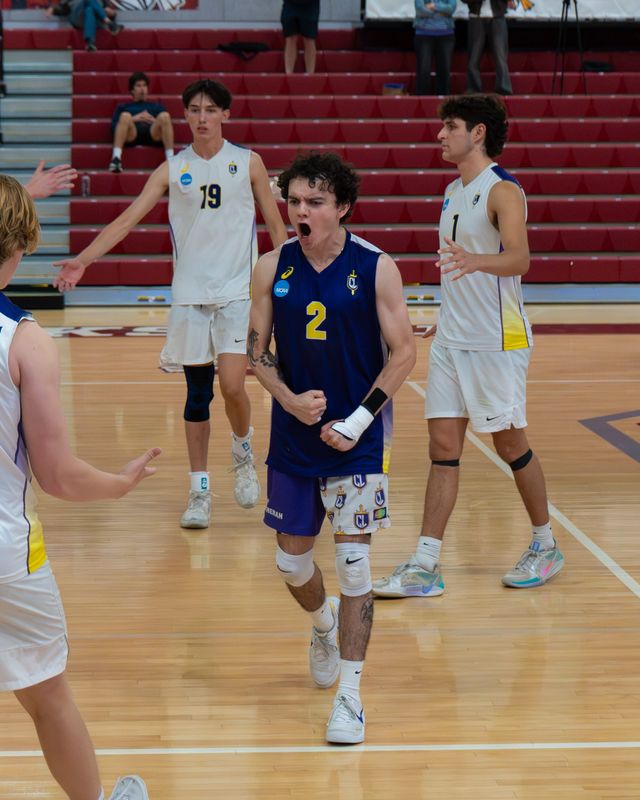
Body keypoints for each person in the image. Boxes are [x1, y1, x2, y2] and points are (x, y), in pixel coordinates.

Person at [54, 79, 288, 530]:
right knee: (197, 395)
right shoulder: (171, 168)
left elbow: (277, 230)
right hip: (190, 298)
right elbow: (126, 220)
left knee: (235, 385)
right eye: (194, 110)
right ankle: (199, 489)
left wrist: (287, 287)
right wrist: (83, 260)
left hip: (239, 293)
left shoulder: (248, 163)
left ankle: (243, 451)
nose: (202, 117)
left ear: (226, 115)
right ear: (185, 116)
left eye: (211, 109)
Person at [248, 151, 416, 744]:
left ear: (342, 206)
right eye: (294, 201)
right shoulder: (271, 267)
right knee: (292, 560)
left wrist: (360, 419)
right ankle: (321, 623)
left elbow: (403, 354)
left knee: (354, 562)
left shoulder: (377, 267)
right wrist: (289, 399)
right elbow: (257, 353)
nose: (301, 211)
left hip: (359, 442)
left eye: (315, 202)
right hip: (293, 436)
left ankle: (350, 696)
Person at [0, 174, 159, 800]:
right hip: (7, 552)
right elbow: (60, 475)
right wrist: (118, 485)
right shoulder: (25, 341)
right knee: (46, 696)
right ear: (19, 246)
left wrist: (18, 197)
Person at [373, 94, 564, 599]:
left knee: (509, 442)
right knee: (442, 448)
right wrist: (446, 315)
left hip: (498, 339)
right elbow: (457, 267)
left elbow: (520, 259)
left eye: (450, 126)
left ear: (477, 133)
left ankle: (545, 545)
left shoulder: (502, 190)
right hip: (455, 337)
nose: (440, 134)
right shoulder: (452, 191)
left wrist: (479, 263)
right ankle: (425, 564)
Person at [109, 72, 175, 174]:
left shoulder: (156, 106)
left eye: (144, 85)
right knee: (125, 116)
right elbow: (114, 128)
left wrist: (154, 121)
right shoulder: (123, 107)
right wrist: (133, 119)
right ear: (132, 90)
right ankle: (116, 159)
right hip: (131, 134)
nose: (142, 89)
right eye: (138, 86)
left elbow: (168, 127)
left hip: (153, 134)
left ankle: (171, 161)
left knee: (165, 116)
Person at [462, 0, 513, 96]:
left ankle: (503, 87)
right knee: (474, 56)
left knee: (500, 55)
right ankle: (473, 88)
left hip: (498, 17)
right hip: (476, 17)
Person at [414, 0, 457, 96]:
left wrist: (433, 6)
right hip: (423, 33)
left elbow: (451, 9)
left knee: (444, 71)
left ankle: (443, 102)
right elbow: (420, 10)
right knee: (423, 71)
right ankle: (422, 100)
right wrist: (441, 11)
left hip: (446, 34)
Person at [46, 0, 122, 52]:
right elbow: (63, 7)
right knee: (89, 7)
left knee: (89, 9)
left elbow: (107, 8)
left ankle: (90, 43)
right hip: (77, 17)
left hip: (96, 19)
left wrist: (113, 14)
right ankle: (109, 24)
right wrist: (54, 8)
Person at [281, 0, 321, 75]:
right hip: (290, 4)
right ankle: (288, 74)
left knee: (309, 39)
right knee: (290, 38)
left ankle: (310, 75)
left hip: (310, 6)